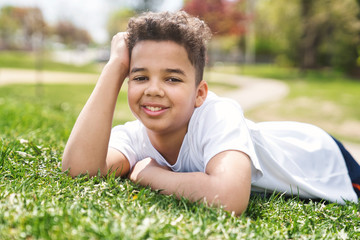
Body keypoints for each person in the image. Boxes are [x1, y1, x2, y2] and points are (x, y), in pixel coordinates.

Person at [62, 11, 360, 215]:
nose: (153, 89)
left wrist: (151, 174)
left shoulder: (218, 114)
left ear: (200, 93)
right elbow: (79, 170)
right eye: (139, 77)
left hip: (321, 159)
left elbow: (229, 198)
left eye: (172, 78)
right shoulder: (134, 136)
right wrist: (114, 68)